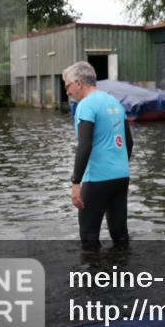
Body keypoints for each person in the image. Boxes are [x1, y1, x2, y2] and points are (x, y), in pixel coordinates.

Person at [63, 61, 133, 250]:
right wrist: (118, 166)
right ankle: (123, 275)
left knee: (89, 237)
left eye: (67, 86)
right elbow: (129, 142)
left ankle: (93, 278)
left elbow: (84, 145)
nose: (67, 91)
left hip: (97, 180)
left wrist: (75, 182)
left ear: (78, 83)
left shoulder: (85, 106)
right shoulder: (115, 103)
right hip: (121, 177)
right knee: (120, 234)